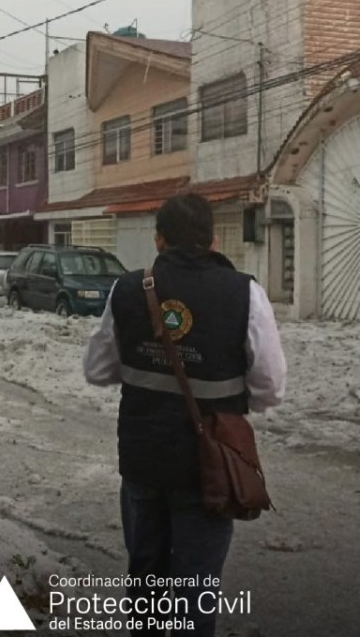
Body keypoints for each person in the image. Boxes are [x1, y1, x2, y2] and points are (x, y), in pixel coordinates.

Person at [84, 193, 287, 637]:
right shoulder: (245, 293)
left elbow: (97, 371)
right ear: (214, 241)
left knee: (146, 584)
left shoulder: (127, 289)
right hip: (210, 465)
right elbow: (271, 386)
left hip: (142, 460)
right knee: (196, 589)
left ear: (159, 241)